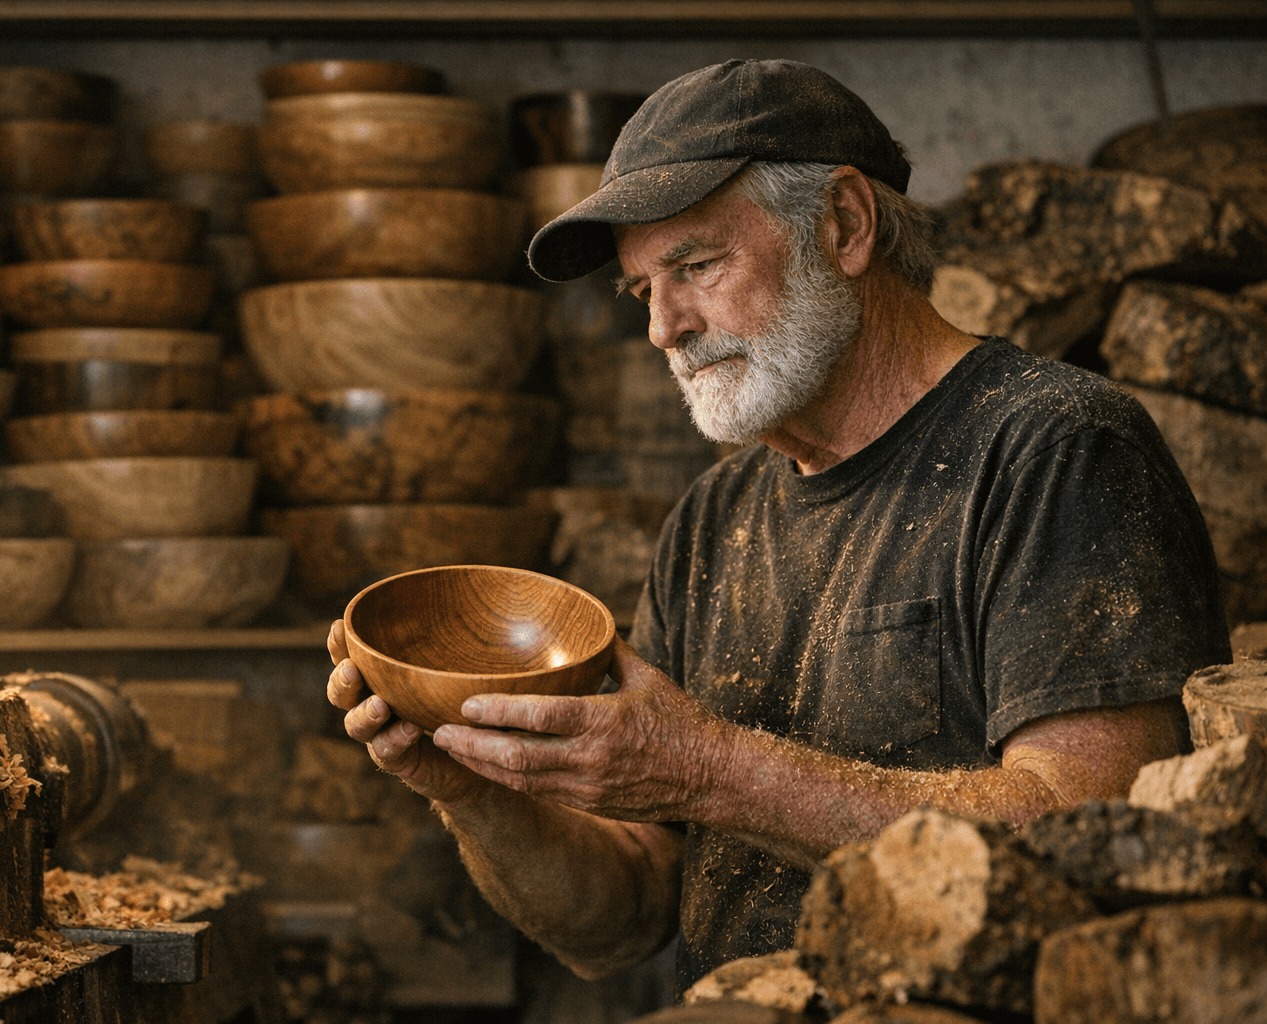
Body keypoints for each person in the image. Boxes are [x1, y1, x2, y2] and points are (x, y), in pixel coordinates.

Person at [326, 59, 1232, 994]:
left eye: (697, 266)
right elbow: (622, 921)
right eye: (643, 291)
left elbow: (1093, 844)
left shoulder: (1055, 448)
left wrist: (706, 768)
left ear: (843, 226)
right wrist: (473, 792)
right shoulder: (711, 523)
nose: (663, 329)